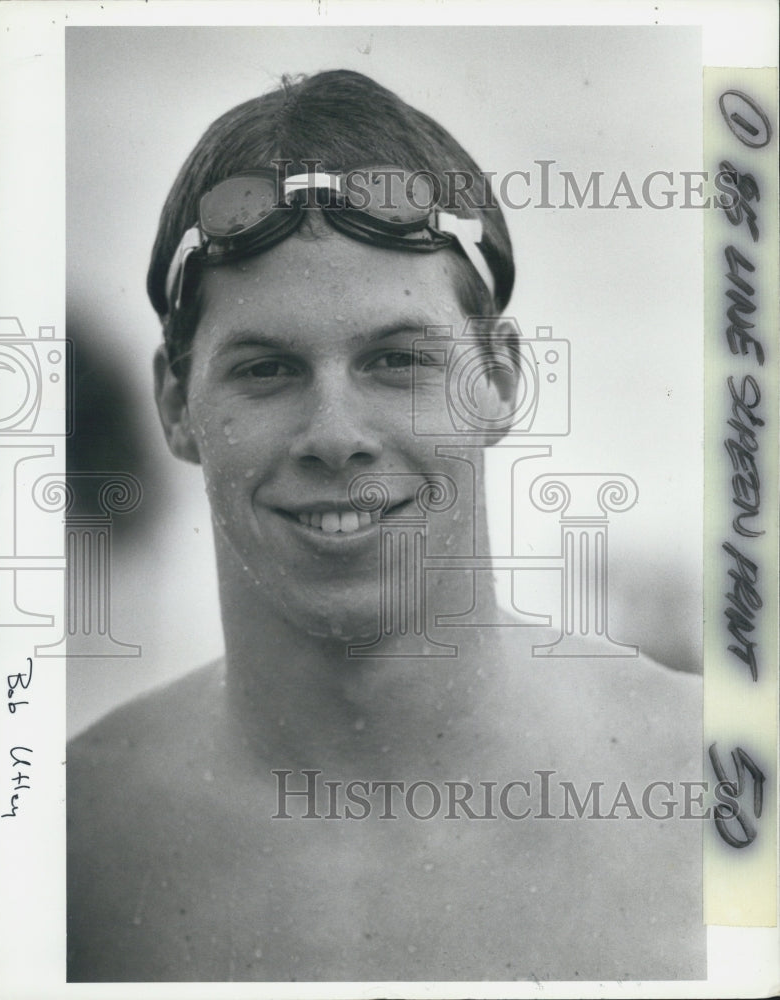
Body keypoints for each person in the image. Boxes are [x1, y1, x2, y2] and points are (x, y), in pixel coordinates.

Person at [67, 70, 705, 983]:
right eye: (266, 370)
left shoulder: (720, 795)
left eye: (397, 360)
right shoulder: (65, 845)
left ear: (501, 381)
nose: (335, 435)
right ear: (175, 404)